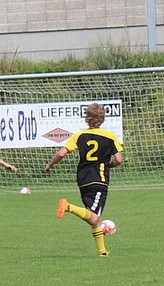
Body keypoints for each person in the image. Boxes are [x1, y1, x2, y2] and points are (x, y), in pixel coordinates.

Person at [43, 102, 124, 257]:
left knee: (93, 218)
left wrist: (50, 165)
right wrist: (109, 165)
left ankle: (102, 252)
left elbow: (60, 154)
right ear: (102, 119)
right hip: (99, 179)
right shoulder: (110, 136)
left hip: (83, 178)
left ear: (87, 118)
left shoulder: (79, 136)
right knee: (94, 218)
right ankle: (68, 206)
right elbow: (119, 159)